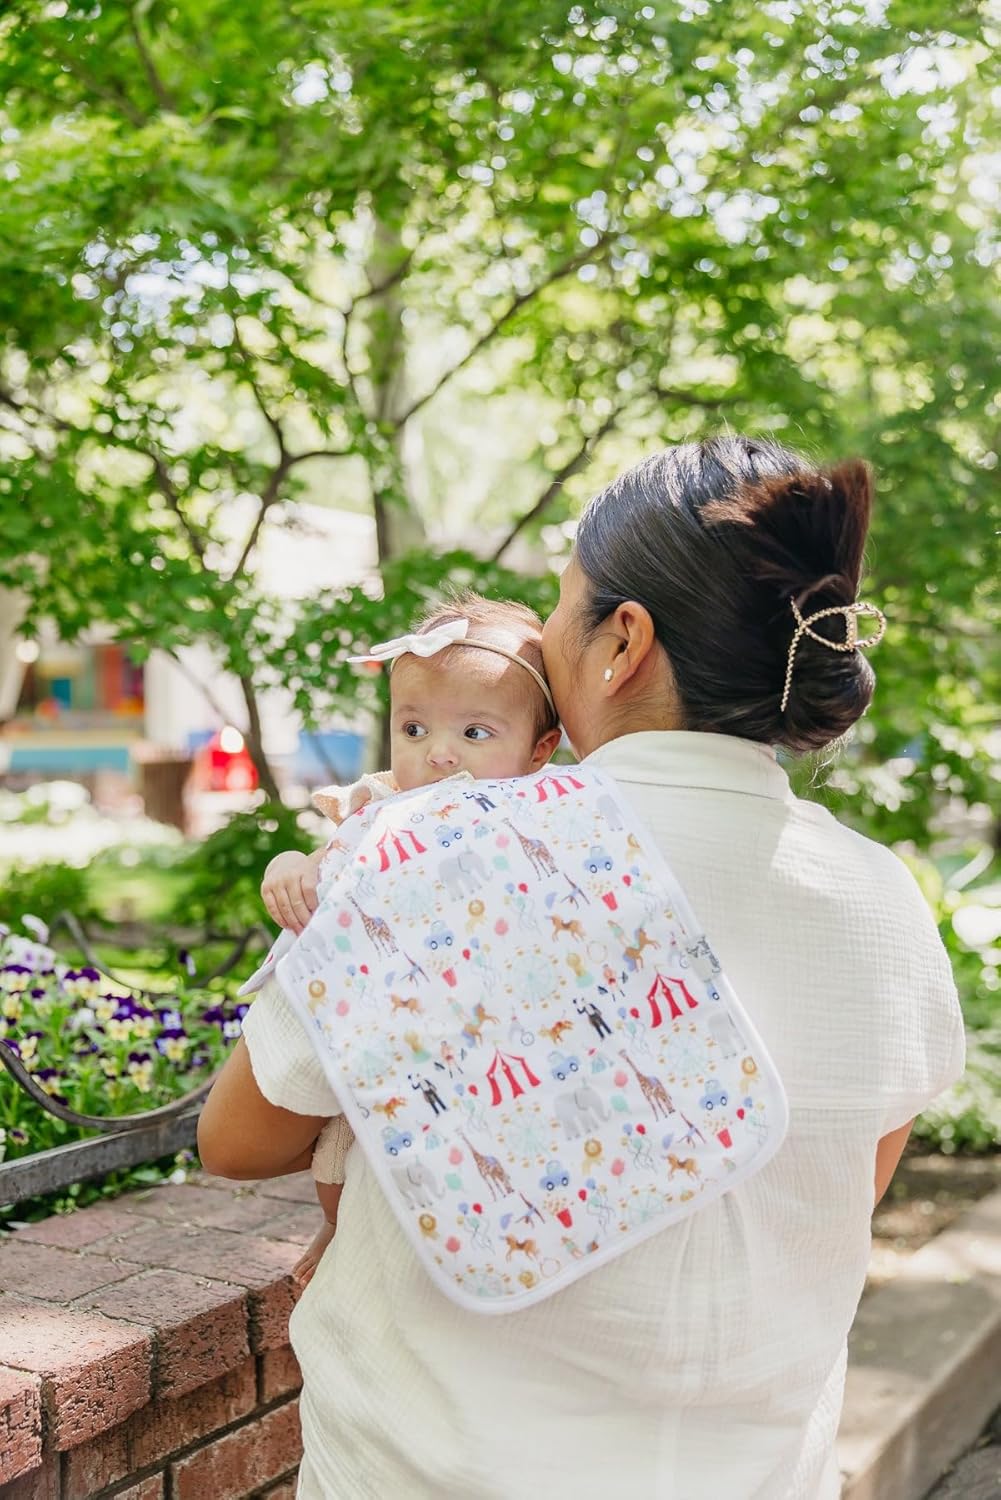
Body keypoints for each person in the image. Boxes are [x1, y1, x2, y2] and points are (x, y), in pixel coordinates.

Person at [199, 436, 964, 1500]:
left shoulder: (427, 855)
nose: (547, 635)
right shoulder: (881, 900)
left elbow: (236, 1141)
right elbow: (842, 1190)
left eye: (561, 608)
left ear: (621, 643)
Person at [246, 593, 563, 1285]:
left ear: (540, 749)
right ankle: (334, 1231)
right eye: (413, 728)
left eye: (475, 734)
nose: (438, 755)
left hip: (474, 1032)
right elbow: (322, 857)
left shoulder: (532, 817)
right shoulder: (380, 804)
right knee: (341, 1148)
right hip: (376, 1021)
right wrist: (287, 869)